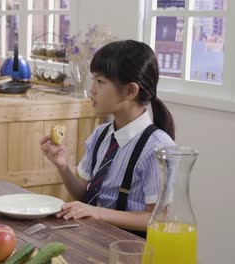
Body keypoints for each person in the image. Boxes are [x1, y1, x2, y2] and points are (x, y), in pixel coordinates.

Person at [40, 40, 175, 236]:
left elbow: (158, 218)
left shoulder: (158, 148)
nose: (92, 89)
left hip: (131, 250)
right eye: (93, 79)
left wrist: (97, 212)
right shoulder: (100, 134)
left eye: (100, 82)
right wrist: (62, 166)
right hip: (94, 240)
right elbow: (85, 195)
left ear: (130, 91)